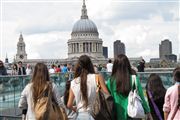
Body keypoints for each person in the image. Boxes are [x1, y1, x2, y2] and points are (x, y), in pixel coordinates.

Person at [106, 54, 152, 120]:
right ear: (127, 65)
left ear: (115, 66)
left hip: (116, 114)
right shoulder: (134, 79)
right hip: (133, 114)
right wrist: (148, 111)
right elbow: (141, 97)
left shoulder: (110, 81)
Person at [67, 55, 109, 120]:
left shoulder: (73, 82)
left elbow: (69, 105)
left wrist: (75, 109)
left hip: (80, 115)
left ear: (78, 66)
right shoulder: (98, 77)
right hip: (96, 114)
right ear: (90, 65)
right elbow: (107, 95)